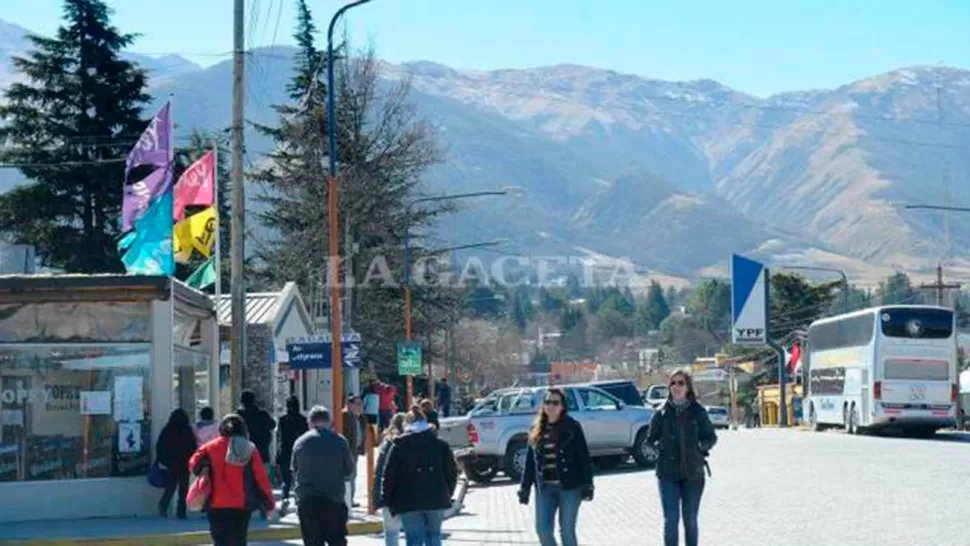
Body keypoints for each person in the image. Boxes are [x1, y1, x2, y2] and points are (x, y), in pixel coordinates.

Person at [647, 368, 718, 546]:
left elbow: (710, 437)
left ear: (688, 387)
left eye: (681, 383)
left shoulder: (698, 411)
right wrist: (659, 448)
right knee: (671, 521)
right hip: (667, 474)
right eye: (673, 383)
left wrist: (700, 447)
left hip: (693, 474)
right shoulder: (661, 412)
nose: (676, 386)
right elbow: (650, 440)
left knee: (691, 521)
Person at [517, 388, 593, 546]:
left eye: (555, 402)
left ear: (562, 406)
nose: (551, 406)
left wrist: (588, 485)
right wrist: (524, 488)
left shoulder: (572, 427)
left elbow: (584, 458)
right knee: (543, 531)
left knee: (566, 531)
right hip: (544, 489)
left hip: (570, 488)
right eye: (547, 402)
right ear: (543, 405)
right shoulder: (536, 429)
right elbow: (530, 462)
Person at [190, 414, 275, 546]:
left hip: (215, 504)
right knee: (239, 541)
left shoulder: (209, 447)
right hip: (241, 505)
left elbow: (193, 465)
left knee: (219, 541)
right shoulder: (249, 448)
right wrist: (269, 501)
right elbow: (261, 477)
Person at [382, 406, 458, 546]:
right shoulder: (441, 446)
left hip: (407, 501)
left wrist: (388, 501)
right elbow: (452, 472)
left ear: (407, 424)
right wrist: (448, 492)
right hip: (436, 498)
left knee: (414, 539)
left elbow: (389, 475)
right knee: (434, 536)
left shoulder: (399, 446)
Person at [292, 405, 356, 546]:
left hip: (308, 501)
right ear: (329, 422)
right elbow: (349, 471)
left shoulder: (300, 442)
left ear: (310, 422)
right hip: (334, 500)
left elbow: (295, 469)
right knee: (337, 541)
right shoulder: (340, 441)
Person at [157, 408, 198, 520]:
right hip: (184, 463)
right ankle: (181, 512)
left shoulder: (167, 429)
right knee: (183, 489)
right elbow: (192, 447)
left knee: (171, 486)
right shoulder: (187, 430)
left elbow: (160, 446)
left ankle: (163, 505)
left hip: (171, 463)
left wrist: (164, 460)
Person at [374, 412, 407, 546]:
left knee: (391, 534)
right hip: (408, 495)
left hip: (389, 494)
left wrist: (377, 497)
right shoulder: (410, 443)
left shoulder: (387, 444)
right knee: (413, 534)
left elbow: (379, 472)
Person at [277, 395, 308, 508]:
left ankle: (285, 497)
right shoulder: (303, 420)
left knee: (286, 477)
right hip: (299, 451)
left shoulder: (283, 420)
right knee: (298, 476)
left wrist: (277, 455)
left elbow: (279, 438)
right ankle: (297, 498)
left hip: (285, 450)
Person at [341, 395, 365, 508]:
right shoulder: (345, 416)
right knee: (349, 476)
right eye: (358, 404)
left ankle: (350, 499)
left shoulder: (357, 417)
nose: (360, 407)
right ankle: (347, 500)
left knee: (352, 476)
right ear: (350, 405)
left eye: (361, 404)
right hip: (348, 451)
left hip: (354, 451)